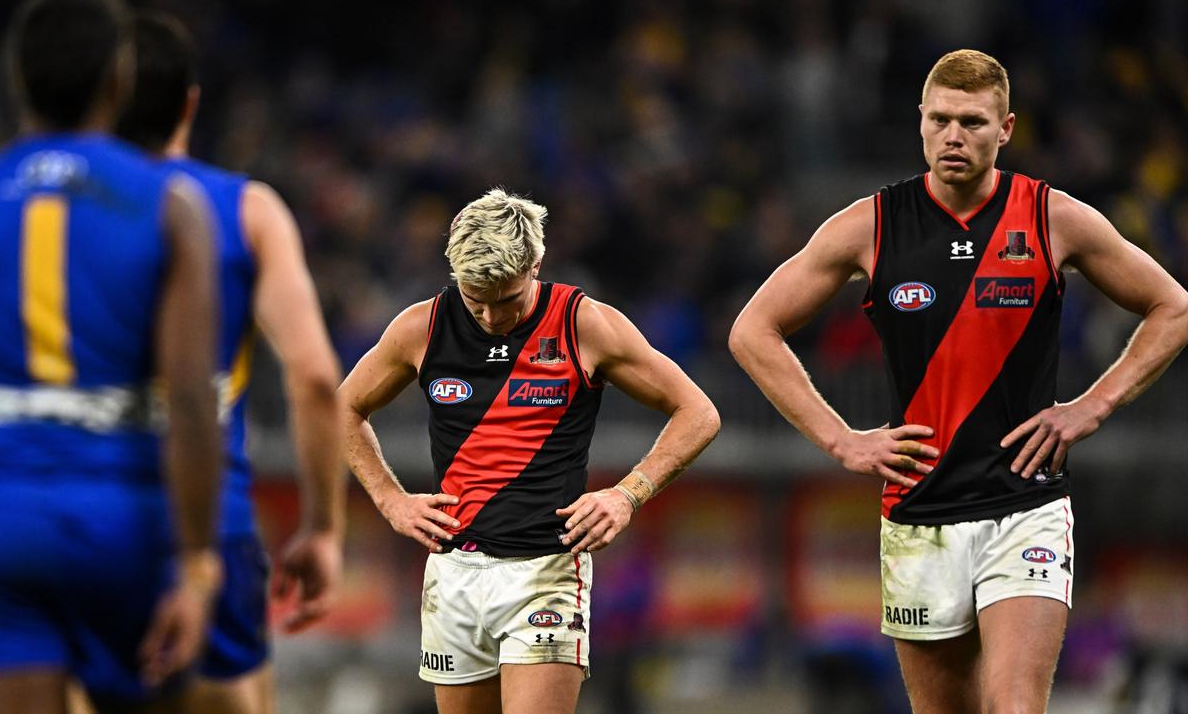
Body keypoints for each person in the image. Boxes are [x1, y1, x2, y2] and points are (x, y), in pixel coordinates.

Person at [729, 48, 1188, 713]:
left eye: (972, 122)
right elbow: (752, 331)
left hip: (1025, 506)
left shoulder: (1052, 218)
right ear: (919, 121)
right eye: (940, 119)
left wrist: (1093, 404)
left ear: (1005, 129)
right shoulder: (871, 225)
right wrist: (841, 440)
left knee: (1014, 704)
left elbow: (1172, 307)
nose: (953, 135)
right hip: (919, 514)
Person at [0, 0, 224, 712]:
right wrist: (198, 565)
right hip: (123, 516)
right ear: (118, 79)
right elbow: (191, 399)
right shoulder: (168, 203)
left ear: (17, 81)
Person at [338, 188, 720, 714]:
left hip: (546, 572)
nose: (492, 317)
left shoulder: (583, 324)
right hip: (454, 571)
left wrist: (628, 494)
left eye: (507, 300)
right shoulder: (419, 329)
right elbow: (340, 410)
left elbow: (698, 413)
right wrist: (390, 499)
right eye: (477, 300)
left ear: (537, 264)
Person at [114, 11, 347, 714]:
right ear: (191, 101)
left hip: (85, 515)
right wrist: (324, 526)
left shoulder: (49, 210)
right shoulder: (246, 210)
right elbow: (313, 377)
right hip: (210, 519)